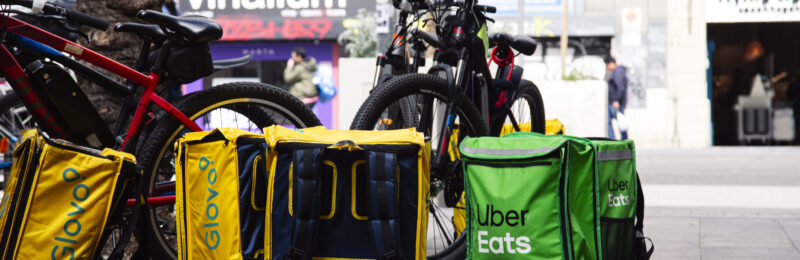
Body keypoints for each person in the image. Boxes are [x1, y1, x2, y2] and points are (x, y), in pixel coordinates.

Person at [605, 56, 628, 140]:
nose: (607, 67)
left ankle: (616, 140)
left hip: (616, 102)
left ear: (611, 63)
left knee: (617, 123)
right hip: (616, 102)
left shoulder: (617, 72)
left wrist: (616, 100)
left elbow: (620, 88)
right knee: (619, 122)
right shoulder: (617, 72)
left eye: (607, 65)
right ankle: (621, 140)